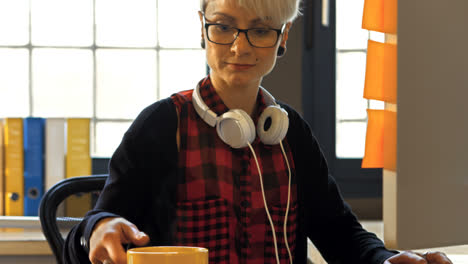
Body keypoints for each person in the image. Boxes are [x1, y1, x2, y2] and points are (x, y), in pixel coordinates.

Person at [63, 0, 454, 264]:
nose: (240, 47)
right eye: (225, 27)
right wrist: (99, 227)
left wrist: (385, 260)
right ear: (202, 28)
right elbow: (91, 230)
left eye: (261, 30)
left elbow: (340, 233)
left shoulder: (291, 134)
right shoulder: (162, 126)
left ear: (282, 38)